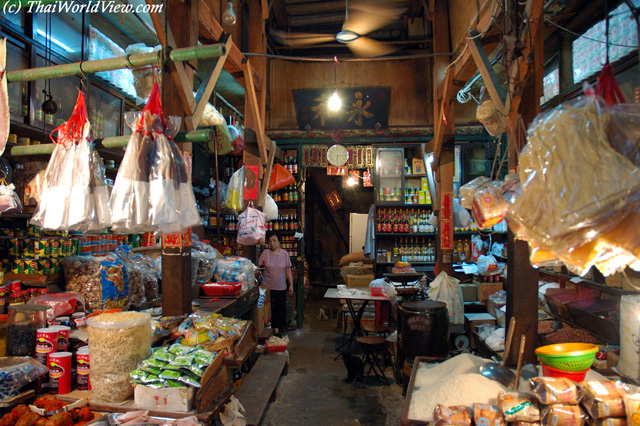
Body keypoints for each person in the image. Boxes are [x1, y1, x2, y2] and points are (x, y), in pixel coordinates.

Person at [258, 232, 294, 335]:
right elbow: (259, 267)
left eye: (274, 241)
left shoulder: (284, 254)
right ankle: (269, 328)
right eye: (270, 241)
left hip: (281, 286)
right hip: (267, 286)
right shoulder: (265, 253)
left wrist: (291, 284)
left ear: (279, 242)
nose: (272, 243)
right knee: (269, 308)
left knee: (279, 308)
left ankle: (277, 328)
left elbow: (288, 270)